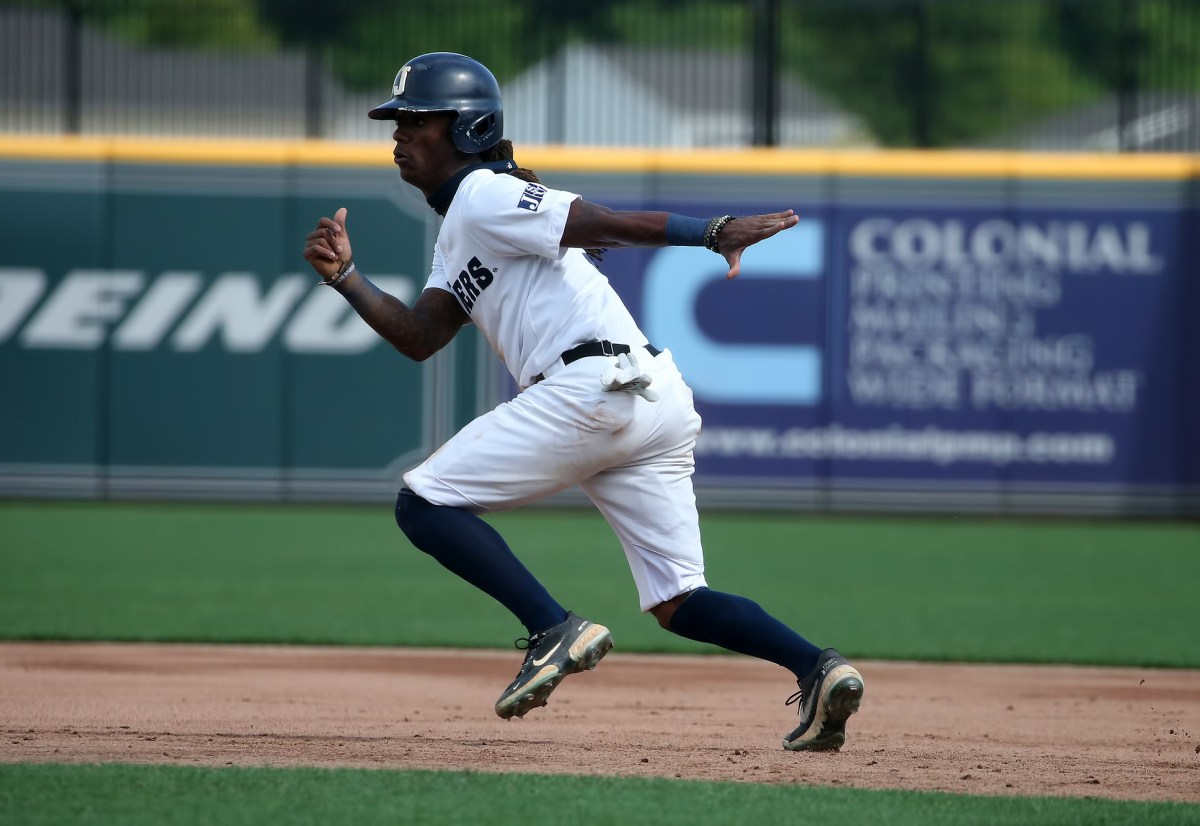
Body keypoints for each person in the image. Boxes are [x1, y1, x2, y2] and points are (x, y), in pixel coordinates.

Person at [302, 52, 864, 752]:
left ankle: (551, 628)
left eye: (419, 121)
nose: (400, 135)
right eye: (399, 122)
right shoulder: (462, 231)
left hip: (589, 391)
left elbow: (597, 221)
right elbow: (420, 336)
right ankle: (817, 668)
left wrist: (710, 232)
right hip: (649, 399)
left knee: (424, 502)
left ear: (469, 128)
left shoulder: (482, 192)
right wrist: (348, 278)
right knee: (678, 600)